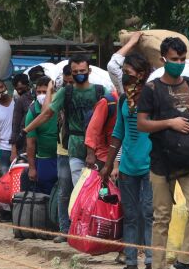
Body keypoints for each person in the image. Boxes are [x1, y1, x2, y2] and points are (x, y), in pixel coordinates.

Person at [137, 37, 189, 269]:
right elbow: (142, 123)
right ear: (163, 59)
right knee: (162, 216)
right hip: (161, 161)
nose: (178, 63)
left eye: (182, 59)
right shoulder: (151, 89)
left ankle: (185, 261)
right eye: (174, 59)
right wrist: (170, 122)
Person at [100, 53, 154, 269]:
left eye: (129, 73)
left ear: (142, 75)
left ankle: (151, 263)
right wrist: (108, 164)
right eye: (124, 73)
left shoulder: (153, 97)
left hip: (151, 166)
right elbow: (118, 133)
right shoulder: (123, 100)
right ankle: (131, 262)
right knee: (131, 215)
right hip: (127, 167)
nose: (125, 77)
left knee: (149, 213)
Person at [25, 54, 113, 188]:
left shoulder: (100, 91)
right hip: (75, 148)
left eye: (82, 71)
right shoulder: (65, 92)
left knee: (99, 190)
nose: (79, 74)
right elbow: (47, 114)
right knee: (79, 191)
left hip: (99, 149)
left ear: (89, 71)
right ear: (71, 73)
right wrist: (27, 129)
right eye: (76, 72)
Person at [22, 77, 59, 195]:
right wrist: (32, 168)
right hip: (45, 159)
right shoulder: (32, 112)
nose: (42, 95)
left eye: (45, 91)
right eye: (39, 92)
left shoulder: (60, 106)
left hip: (63, 157)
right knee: (46, 193)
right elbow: (30, 143)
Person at [84, 88, 119, 170]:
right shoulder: (108, 102)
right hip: (104, 157)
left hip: (126, 159)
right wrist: (90, 154)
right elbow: (93, 129)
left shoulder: (136, 102)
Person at [11, 73, 33, 159]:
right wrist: (13, 149)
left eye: (21, 88)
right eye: (17, 89)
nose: (19, 91)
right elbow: (15, 126)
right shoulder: (20, 100)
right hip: (24, 144)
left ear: (28, 85)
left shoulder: (37, 97)